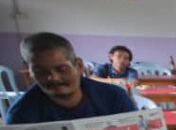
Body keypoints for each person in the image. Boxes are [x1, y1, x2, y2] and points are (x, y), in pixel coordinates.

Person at [6, 33, 137, 124]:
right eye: (40, 71)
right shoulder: (20, 114)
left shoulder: (115, 97)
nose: (53, 78)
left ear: (79, 66)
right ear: (30, 73)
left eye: (62, 69)